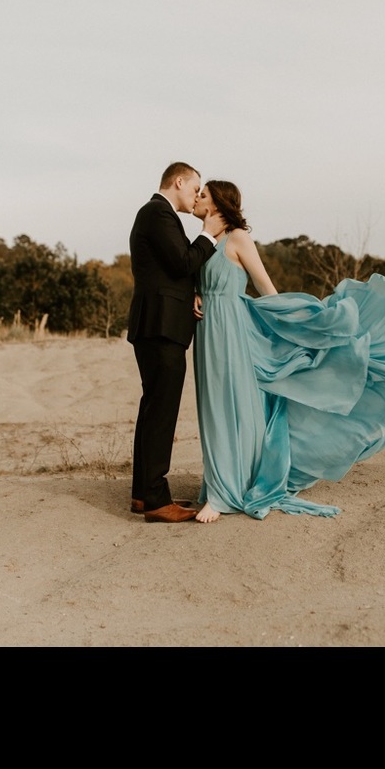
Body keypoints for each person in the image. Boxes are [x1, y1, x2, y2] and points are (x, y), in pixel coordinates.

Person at [191, 180, 385, 523]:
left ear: (216, 204)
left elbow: (266, 288)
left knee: (232, 408)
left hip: (234, 332)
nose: (197, 198)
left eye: (203, 195)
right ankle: (220, 482)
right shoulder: (203, 242)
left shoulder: (238, 238)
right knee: (212, 408)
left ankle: (222, 494)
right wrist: (193, 294)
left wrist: (301, 325)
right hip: (208, 332)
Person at [127, 162, 225, 523]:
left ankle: (142, 493)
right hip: (160, 328)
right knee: (161, 411)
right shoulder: (157, 213)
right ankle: (155, 499)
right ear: (178, 181)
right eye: (195, 187)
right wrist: (211, 235)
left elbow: (174, 271)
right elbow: (183, 262)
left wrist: (194, 293)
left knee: (153, 409)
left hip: (158, 326)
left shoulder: (158, 215)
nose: (197, 195)